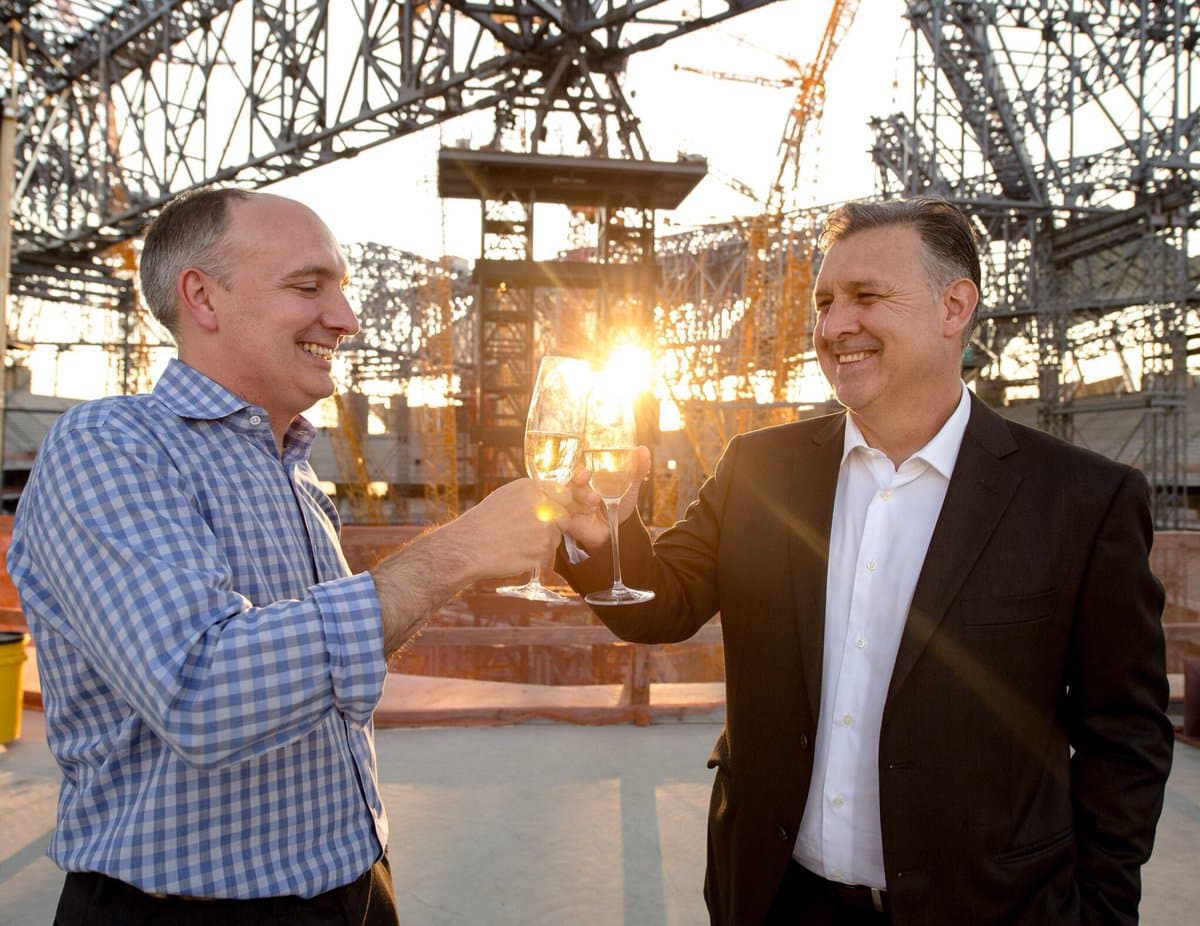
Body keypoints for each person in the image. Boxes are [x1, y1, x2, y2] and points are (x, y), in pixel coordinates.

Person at [558, 197, 1173, 925]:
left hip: (989, 908)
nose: (831, 326)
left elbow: (1125, 733)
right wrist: (601, 537)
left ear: (954, 308)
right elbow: (662, 603)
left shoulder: (1082, 499)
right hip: (775, 899)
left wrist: (1102, 912)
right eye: (825, 303)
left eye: (866, 297)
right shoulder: (759, 468)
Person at [7, 187, 566, 925]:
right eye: (309, 286)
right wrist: (458, 552)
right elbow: (200, 691)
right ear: (202, 297)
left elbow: (328, 677)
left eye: (342, 287)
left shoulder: (295, 470)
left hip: (355, 884)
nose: (347, 318)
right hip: (190, 912)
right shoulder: (109, 447)